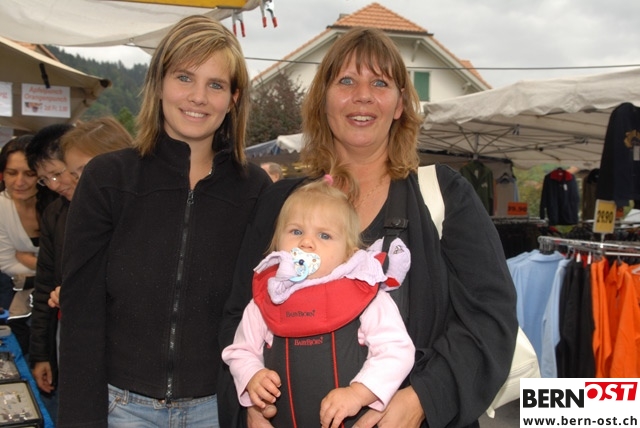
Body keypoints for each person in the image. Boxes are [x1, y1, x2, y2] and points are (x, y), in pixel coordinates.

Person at [219, 27, 518, 428]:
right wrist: (250, 407)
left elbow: (490, 319)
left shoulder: (445, 196)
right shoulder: (280, 204)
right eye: (346, 81)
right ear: (323, 100)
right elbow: (240, 314)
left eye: (380, 83)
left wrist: (421, 400)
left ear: (399, 105)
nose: (363, 95)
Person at [57, 15, 272, 428]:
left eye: (216, 84)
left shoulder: (255, 189)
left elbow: (260, 307)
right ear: (158, 83)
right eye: (184, 77)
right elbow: (81, 309)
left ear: (233, 98)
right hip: (121, 407)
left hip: (218, 407)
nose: (198, 97)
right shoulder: (108, 178)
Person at [222, 177, 414, 428]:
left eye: (324, 235)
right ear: (277, 241)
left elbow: (397, 351)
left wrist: (359, 393)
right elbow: (240, 351)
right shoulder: (266, 300)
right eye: (296, 231)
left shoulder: (367, 297)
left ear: (349, 252)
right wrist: (252, 375)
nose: (306, 242)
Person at [25, 118, 133, 422]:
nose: (56, 184)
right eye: (45, 179)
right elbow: (46, 282)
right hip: (79, 339)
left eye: (60, 173)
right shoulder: (57, 214)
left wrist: (82, 293)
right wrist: (41, 353)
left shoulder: (141, 209)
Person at [0, 135, 57, 355]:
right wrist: (47, 266)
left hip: (54, 308)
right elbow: (6, 264)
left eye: (29, 174)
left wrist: (28, 260)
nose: (19, 182)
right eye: (11, 173)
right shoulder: (2, 207)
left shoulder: (59, 206)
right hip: (17, 309)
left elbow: (68, 264)